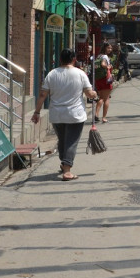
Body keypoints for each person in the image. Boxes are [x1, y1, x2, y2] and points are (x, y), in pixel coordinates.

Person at [31, 48, 98, 181]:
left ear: (60, 59)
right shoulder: (80, 74)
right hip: (75, 115)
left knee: (62, 140)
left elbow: (43, 94)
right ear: (74, 59)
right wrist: (95, 93)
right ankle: (67, 170)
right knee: (71, 141)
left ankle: (64, 162)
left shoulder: (52, 74)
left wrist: (37, 112)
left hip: (57, 115)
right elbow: (89, 93)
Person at [93, 43, 115, 123]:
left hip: (98, 79)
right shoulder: (105, 57)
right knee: (106, 98)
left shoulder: (99, 56)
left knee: (101, 97)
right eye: (108, 48)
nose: (110, 50)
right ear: (105, 48)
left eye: (111, 48)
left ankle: (96, 114)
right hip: (105, 79)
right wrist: (107, 66)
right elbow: (103, 64)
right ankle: (104, 117)